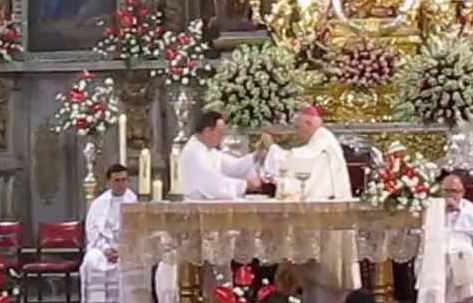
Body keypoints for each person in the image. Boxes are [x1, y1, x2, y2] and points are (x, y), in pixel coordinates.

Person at [156, 110, 264, 302]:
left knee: (217, 268)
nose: (222, 137)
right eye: (220, 133)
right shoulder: (194, 153)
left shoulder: (207, 151)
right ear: (207, 131)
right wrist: (245, 185)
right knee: (205, 269)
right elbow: (213, 186)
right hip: (196, 219)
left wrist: (256, 156)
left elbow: (231, 166)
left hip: (210, 219)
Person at [262, 107, 360, 302]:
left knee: (322, 283)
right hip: (323, 219)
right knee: (314, 284)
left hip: (323, 221)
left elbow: (296, 163)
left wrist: (272, 148)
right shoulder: (324, 143)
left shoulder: (322, 145)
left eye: (298, 128)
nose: (298, 133)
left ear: (308, 123)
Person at [416, 174, 473, 302]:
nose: (450, 195)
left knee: (465, 264)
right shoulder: (431, 206)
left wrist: (459, 210)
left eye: (454, 191)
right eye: (446, 191)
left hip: (461, 252)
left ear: (462, 192)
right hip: (436, 253)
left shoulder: (468, 207)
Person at [81, 164, 137, 302]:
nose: (121, 184)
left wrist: (122, 250)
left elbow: (136, 231)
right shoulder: (98, 204)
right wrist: (105, 249)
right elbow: (92, 230)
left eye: (124, 180)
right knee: (92, 260)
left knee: (129, 264)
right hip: (103, 248)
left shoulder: (134, 202)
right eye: (117, 180)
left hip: (125, 249)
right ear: (109, 182)